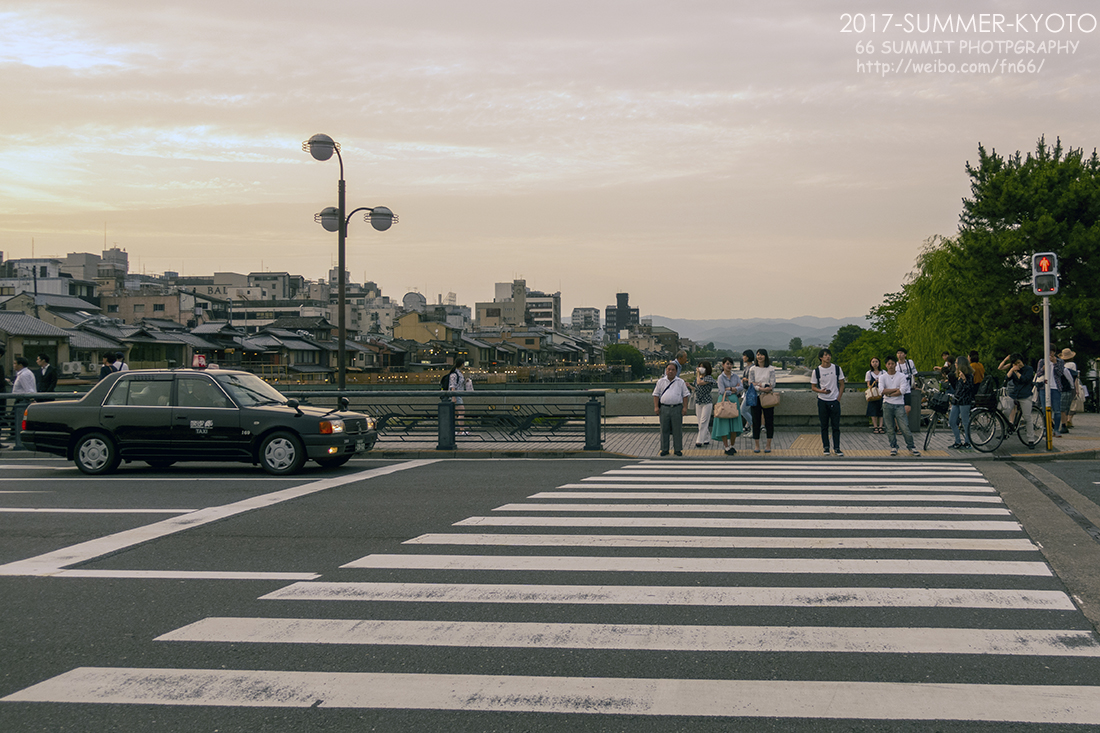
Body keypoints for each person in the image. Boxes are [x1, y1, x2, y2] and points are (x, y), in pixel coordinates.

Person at [879, 357, 920, 457]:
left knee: (904, 427)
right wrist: (895, 390)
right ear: (886, 365)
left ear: (895, 365)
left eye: (892, 364)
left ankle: (911, 446)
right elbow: (881, 391)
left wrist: (889, 393)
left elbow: (902, 390)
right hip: (887, 404)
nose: (891, 366)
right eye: (888, 364)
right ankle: (893, 446)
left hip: (899, 404)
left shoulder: (901, 376)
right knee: (889, 428)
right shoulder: (883, 377)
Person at [811, 348, 845, 456]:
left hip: (834, 400)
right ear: (821, 358)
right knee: (824, 425)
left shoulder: (837, 369)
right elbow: (813, 387)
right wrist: (821, 391)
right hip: (822, 400)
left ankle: (837, 447)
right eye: (825, 355)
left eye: (829, 355)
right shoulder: (816, 371)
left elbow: (842, 384)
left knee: (836, 426)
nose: (828, 357)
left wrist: (838, 398)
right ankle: (826, 447)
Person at [652, 361, 691, 456]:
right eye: (669, 369)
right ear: (666, 370)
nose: (670, 371)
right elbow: (656, 395)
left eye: (673, 370)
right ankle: (664, 449)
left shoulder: (680, 382)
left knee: (677, 429)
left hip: (677, 408)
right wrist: (656, 407)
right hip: (664, 408)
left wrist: (685, 408)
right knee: (664, 429)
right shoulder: (661, 382)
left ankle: (677, 449)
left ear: (676, 371)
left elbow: (685, 395)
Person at [998, 353, 1035, 446]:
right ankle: (1005, 431)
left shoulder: (1029, 369)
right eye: (1015, 363)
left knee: (1027, 417)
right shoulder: (1012, 368)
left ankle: (1031, 439)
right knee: (1005, 411)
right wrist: (1011, 370)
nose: (1018, 365)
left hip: (1025, 395)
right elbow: (1006, 378)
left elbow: (1025, 380)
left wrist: (1017, 373)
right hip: (1014, 394)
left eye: (1019, 362)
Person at [747, 349, 776, 454]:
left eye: (762, 355)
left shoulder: (771, 369)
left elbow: (772, 383)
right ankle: (757, 444)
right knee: (756, 421)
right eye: (758, 355)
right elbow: (751, 383)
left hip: (768, 397)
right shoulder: (752, 369)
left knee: (769, 421)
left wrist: (760, 385)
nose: (760, 357)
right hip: (756, 397)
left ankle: (768, 444)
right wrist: (763, 387)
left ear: (765, 356)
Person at [713, 356, 743, 456]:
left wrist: (729, 388)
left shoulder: (736, 376)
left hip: (734, 402)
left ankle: (732, 445)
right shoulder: (720, 377)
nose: (729, 366)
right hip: (724, 402)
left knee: (734, 425)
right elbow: (722, 391)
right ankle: (726, 446)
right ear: (723, 365)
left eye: (730, 364)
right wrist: (734, 389)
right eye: (727, 364)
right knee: (724, 425)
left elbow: (741, 387)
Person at [1034, 348, 1064, 436]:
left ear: (1054, 352)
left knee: (1057, 410)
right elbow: (1038, 373)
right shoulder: (1042, 361)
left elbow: (1060, 373)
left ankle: (1056, 430)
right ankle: (1046, 429)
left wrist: (1055, 364)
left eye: (1052, 352)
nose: (1050, 354)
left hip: (1055, 387)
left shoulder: (1060, 361)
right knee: (1045, 410)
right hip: (1044, 387)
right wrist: (1043, 368)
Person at [950, 358, 975, 449]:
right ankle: (958, 441)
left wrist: (964, 380)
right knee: (952, 421)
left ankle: (967, 442)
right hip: (956, 400)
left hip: (965, 401)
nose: (955, 364)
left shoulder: (969, 376)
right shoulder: (958, 375)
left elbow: (970, 388)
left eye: (956, 363)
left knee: (965, 422)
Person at [11, 356, 37, 446]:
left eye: (15, 363)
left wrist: (31, 399)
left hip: (22, 400)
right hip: (21, 400)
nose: (13, 365)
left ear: (20, 365)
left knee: (19, 420)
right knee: (14, 419)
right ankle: (16, 437)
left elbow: (28, 389)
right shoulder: (23, 373)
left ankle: (20, 441)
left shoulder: (24, 375)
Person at [693, 361, 717, 448]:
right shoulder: (697, 379)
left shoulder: (709, 378)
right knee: (700, 421)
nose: (701, 369)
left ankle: (699, 440)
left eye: (703, 367)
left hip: (707, 402)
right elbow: (696, 388)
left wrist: (698, 374)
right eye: (700, 367)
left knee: (704, 421)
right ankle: (706, 438)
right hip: (698, 401)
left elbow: (700, 383)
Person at [1058, 348, 1078, 433]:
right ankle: (1067, 421)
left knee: (1063, 407)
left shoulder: (1064, 366)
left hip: (1064, 387)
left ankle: (1064, 423)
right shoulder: (1072, 365)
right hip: (1070, 387)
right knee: (1068, 406)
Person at [448, 357, 468, 435]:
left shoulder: (457, 373)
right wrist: (453, 397)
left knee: (455, 414)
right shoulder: (455, 374)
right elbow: (453, 386)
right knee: (461, 412)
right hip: (456, 395)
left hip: (457, 395)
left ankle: (455, 430)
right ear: (462, 364)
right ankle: (461, 430)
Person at [865, 357, 884, 434]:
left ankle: (881, 426)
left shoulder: (883, 372)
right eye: (873, 362)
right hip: (873, 394)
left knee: (881, 411)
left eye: (876, 361)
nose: (875, 363)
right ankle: (875, 426)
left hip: (881, 393)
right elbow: (868, 384)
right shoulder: (868, 373)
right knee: (873, 411)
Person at [739, 349, 755, 434]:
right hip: (746, 391)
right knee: (748, 411)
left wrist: (746, 379)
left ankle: (754, 427)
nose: (743, 357)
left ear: (748, 357)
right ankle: (752, 430)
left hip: (751, 392)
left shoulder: (753, 367)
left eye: (744, 355)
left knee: (743, 410)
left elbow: (755, 380)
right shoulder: (746, 367)